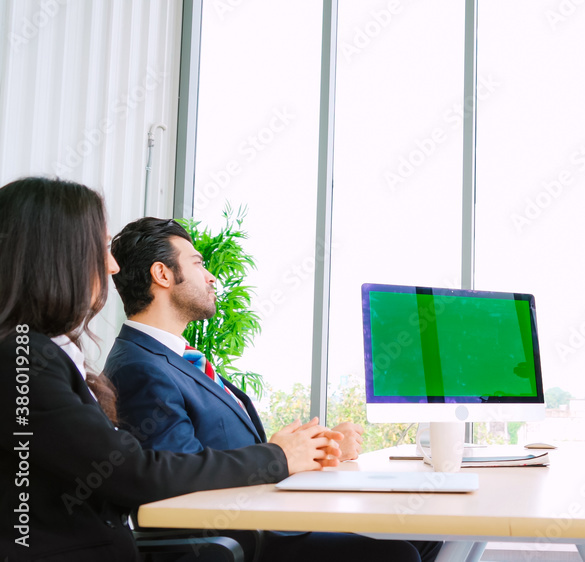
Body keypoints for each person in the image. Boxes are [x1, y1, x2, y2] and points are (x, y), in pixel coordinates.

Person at [0, 177, 343, 562]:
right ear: (57, 256)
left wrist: (302, 452)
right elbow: (131, 472)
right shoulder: (23, 359)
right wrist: (278, 456)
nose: (111, 265)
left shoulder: (47, 355)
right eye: (99, 248)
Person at [103, 216, 441, 561]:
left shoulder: (175, 358)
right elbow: (179, 474)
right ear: (162, 275)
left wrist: (313, 449)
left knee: (429, 536)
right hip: (243, 541)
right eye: (197, 264)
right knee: (400, 554)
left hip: (266, 521)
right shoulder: (138, 367)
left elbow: (219, 452)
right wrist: (280, 456)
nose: (211, 277)